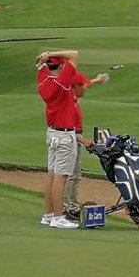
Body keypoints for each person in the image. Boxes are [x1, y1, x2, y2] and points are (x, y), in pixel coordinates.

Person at [35, 49, 108, 229]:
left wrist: (44, 58)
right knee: (61, 178)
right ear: (60, 66)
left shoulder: (43, 81)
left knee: (51, 176)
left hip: (52, 134)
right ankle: (58, 217)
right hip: (65, 135)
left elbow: (41, 65)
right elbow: (74, 54)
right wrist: (51, 52)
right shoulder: (62, 83)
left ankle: (49, 214)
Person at [61, 71, 108, 222]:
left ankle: (71, 207)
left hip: (75, 141)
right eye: (81, 85)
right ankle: (66, 209)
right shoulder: (69, 104)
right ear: (74, 87)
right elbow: (66, 130)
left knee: (75, 175)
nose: (85, 87)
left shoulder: (74, 97)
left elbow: (86, 84)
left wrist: (98, 79)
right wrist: (84, 141)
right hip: (70, 142)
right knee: (71, 175)